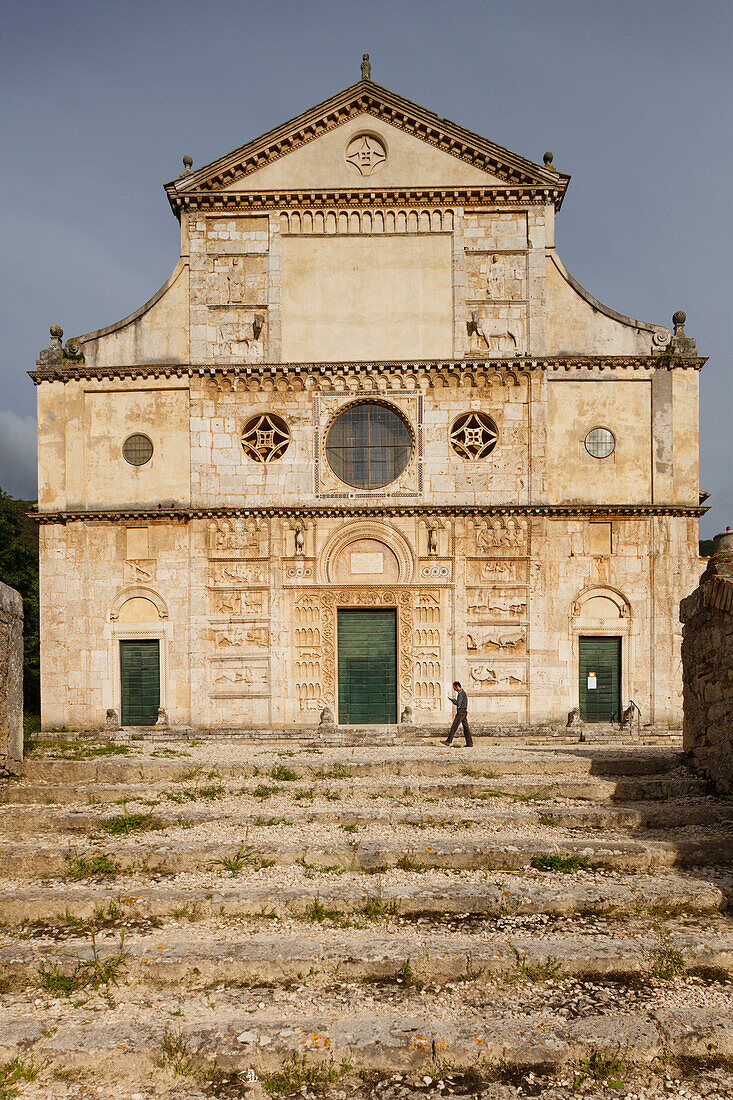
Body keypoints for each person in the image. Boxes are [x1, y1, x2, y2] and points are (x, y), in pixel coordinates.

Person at [442, 681, 473, 747]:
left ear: (457, 686)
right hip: (464, 711)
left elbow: (458, 703)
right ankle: (469, 742)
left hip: (461, 712)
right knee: (466, 727)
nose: (454, 689)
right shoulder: (462, 692)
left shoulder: (461, 693)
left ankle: (448, 741)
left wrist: (453, 701)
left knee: (454, 726)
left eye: (454, 687)